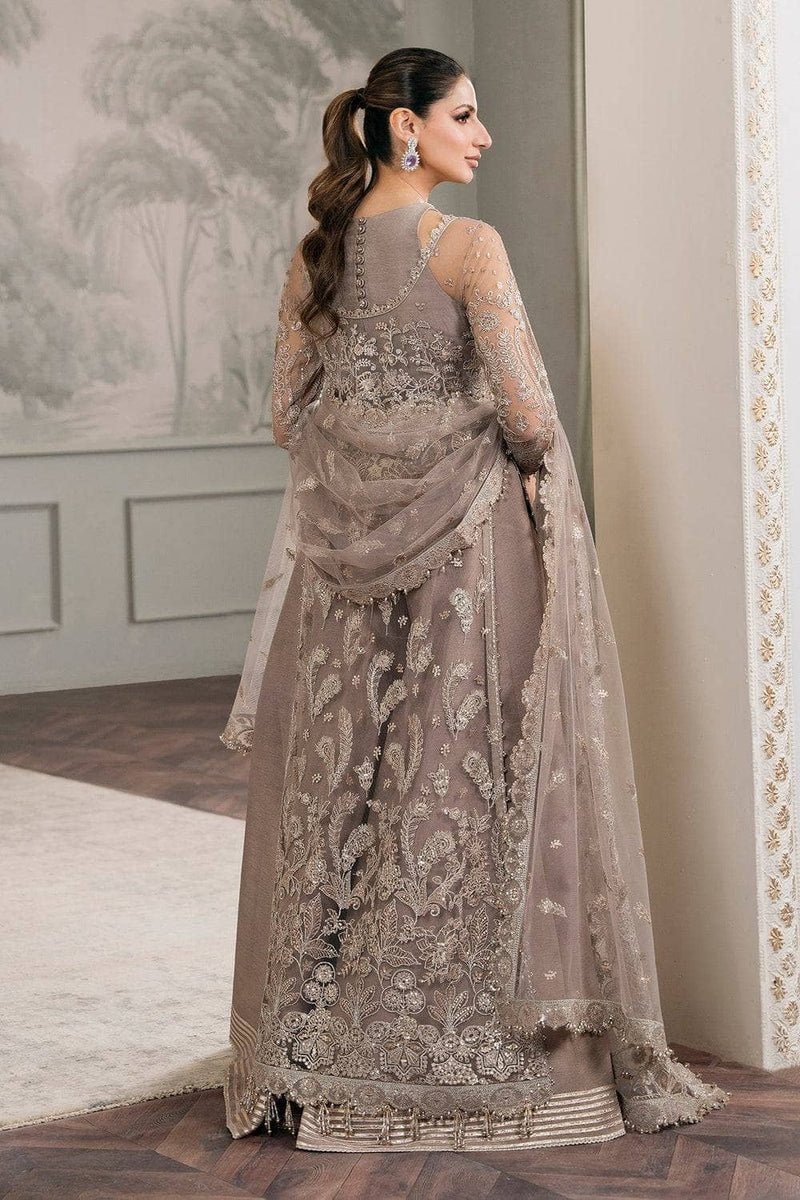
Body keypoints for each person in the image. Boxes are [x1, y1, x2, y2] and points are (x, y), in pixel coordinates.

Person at [220, 47, 728, 1152]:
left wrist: (376, 442)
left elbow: (288, 417)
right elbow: (530, 417)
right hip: (468, 550)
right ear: (405, 127)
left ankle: (318, 1051)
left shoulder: (315, 259)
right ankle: (479, 1056)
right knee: (458, 780)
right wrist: (471, 447)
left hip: (340, 563)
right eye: (463, 115)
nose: (482, 135)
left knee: (349, 789)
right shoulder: (467, 247)